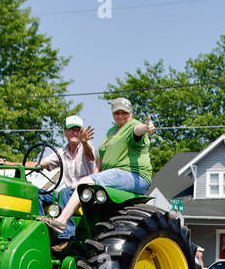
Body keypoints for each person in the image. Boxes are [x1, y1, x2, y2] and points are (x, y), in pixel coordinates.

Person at [44, 98, 155, 236]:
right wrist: (93, 177)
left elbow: (138, 131)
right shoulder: (111, 132)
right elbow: (100, 161)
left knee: (83, 183)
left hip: (133, 175)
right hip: (114, 175)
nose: (121, 116)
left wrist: (146, 127)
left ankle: (61, 221)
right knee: (82, 187)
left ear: (131, 113)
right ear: (113, 114)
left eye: (124, 113)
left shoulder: (133, 125)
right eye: (117, 113)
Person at [0, 114, 98, 238]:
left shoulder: (86, 146)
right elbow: (38, 164)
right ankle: (41, 229)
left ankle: (66, 237)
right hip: (66, 194)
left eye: (77, 130)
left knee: (65, 192)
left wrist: (85, 142)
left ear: (82, 132)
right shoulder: (61, 153)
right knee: (36, 193)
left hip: (83, 194)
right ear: (65, 133)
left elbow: (91, 155)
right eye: (71, 130)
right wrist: (7, 163)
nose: (74, 133)